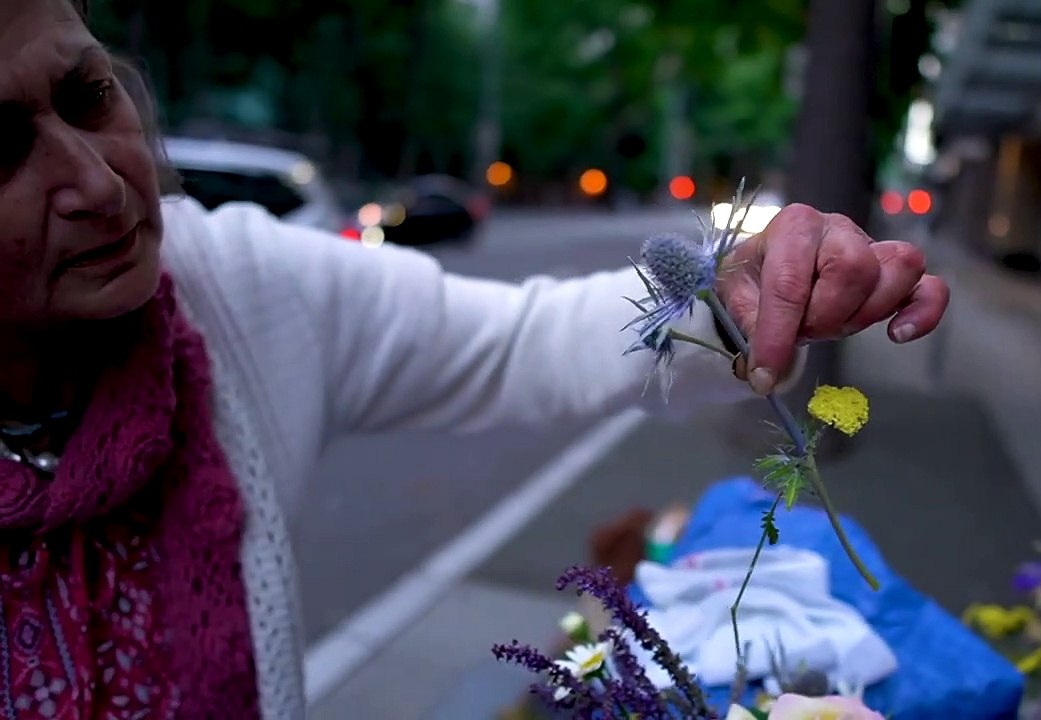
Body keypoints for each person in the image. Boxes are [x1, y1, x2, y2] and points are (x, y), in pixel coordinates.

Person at [0, 0, 950, 717]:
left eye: (88, 95)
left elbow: (519, 343)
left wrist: (736, 291)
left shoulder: (235, 288)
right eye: (3, 149)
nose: (93, 179)